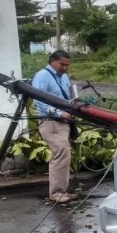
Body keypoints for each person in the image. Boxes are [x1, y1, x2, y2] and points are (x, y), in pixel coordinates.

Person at [31, 50, 76, 204]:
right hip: (50, 121)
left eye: (67, 65)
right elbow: (38, 99)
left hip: (63, 121)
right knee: (61, 152)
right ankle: (56, 193)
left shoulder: (64, 77)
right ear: (52, 61)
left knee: (64, 154)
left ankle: (61, 191)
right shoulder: (42, 76)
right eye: (62, 64)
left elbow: (68, 97)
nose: (65, 68)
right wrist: (57, 112)